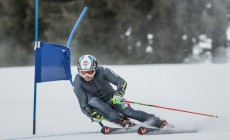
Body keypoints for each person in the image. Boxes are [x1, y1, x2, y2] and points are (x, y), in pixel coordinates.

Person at [73, 54, 168, 128]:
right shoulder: (78, 81)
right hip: (100, 107)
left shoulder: (103, 71)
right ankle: (122, 121)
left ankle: (157, 121)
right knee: (93, 101)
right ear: (78, 71)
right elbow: (83, 105)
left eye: (90, 72)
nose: (86, 76)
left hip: (113, 98)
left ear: (95, 68)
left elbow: (121, 82)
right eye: (83, 72)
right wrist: (91, 114)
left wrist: (119, 93)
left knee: (129, 112)